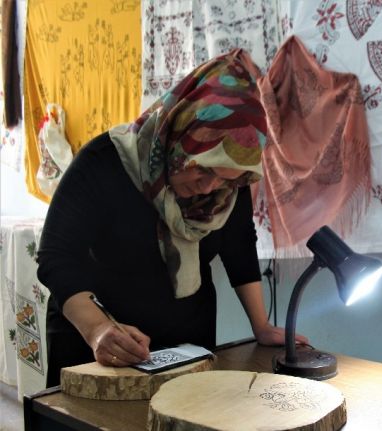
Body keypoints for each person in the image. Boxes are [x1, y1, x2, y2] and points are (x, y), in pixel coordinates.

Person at [37, 49, 306, 387]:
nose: (210, 187)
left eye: (226, 179)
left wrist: (261, 326)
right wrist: (98, 329)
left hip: (186, 347)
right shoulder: (104, 162)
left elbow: (239, 244)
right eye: (204, 170)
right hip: (97, 349)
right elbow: (56, 258)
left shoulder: (226, 184)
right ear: (180, 135)